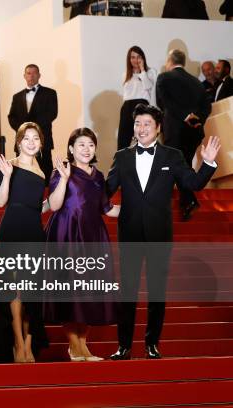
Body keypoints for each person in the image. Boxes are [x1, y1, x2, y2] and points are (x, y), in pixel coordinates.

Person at [107, 104, 219, 360]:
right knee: (128, 292)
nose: (142, 128)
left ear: (157, 128)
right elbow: (106, 189)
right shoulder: (122, 156)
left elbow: (193, 183)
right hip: (130, 233)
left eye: (147, 124)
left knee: (157, 291)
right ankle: (123, 346)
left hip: (160, 234)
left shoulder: (172, 156)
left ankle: (152, 344)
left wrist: (208, 161)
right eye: (138, 124)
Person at [0, 122, 49, 364]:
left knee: (31, 289)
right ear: (18, 142)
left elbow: (41, 205)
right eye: (26, 137)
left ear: (41, 143)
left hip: (34, 229)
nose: (30, 141)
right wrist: (6, 177)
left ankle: (29, 341)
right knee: (14, 288)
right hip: (13, 228)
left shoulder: (42, 170)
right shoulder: (10, 165)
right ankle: (17, 342)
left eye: (35, 138)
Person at [45, 128, 119, 362]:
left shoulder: (98, 176)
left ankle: (83, 346)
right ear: (71, 149)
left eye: (90, 145)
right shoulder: (62, 170)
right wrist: (64, 179)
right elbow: (54, 205)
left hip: (92, 236)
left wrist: (138, 210)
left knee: (88, 291)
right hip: (66, 234)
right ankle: (74, 347)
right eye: (81, 145)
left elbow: (107, 209)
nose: (86, 149)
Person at [156, 49, 212, 221]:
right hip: (194, 132)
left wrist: (184, 116)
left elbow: (163, 103)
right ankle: (186, 202)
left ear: (170, 61)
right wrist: (197, 119)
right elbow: (207, 107)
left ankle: (189, 200)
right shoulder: (196, 82)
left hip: (175, 129)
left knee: (176, 164)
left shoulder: (164, 77)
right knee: (184, 162)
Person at [8, 64, 58, 183]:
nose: (31, 76)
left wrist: (33, 129)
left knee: (45, 171)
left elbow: (52, 113)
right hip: (22, 140)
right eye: (28, 73)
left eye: (34, 73)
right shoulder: (17, 96)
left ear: (39, 75)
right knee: (21, 172)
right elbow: (12, 116)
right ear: (24, 76)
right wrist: (23, 130)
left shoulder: (50, 93)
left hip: (43, 140)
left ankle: (47, 199)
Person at [117, 46, 157, 150]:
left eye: (138, 57)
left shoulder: (150, 72)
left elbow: (148, 86)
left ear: (143, 58)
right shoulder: (126, 74)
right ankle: (121, 164)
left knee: (143, 138)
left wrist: (142, 70)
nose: (136, 60)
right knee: (123, 140)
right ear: (129, 59)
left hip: (142, 107)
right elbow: (126, 95)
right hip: (127, 107)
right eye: (133, 57)